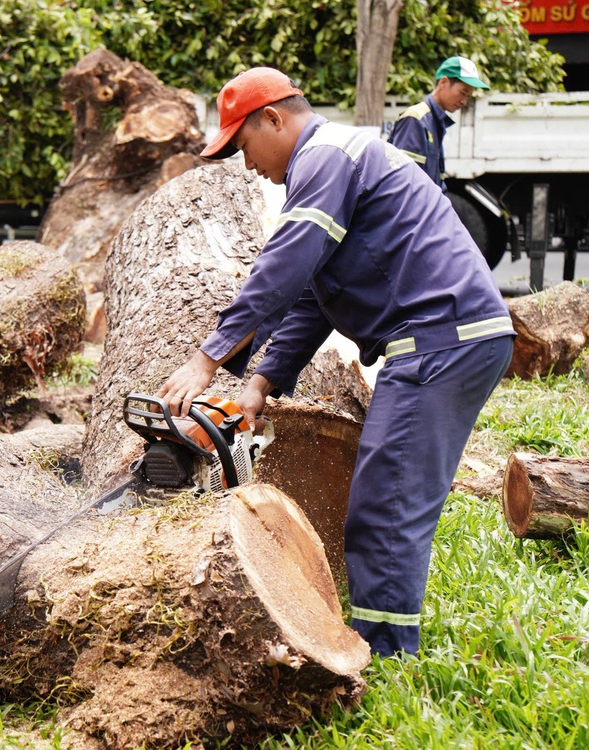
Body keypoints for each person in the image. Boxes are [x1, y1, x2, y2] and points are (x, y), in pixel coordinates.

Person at [156, 67, 515, 657]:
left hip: (440, 341)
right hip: (448, 337)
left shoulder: (324, 158)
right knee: (387, 496)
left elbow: (286, 264)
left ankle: (386, 653)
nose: (248, 166)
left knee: (385, 503)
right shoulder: (337, 156)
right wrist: (260, 382)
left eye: (244, 146)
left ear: (273, 118)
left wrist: (206, 359)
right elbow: (311, 296)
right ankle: (383, 639)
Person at [388, 56, 489, 191]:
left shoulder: (435, 122)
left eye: (468, 96)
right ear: (443, 83)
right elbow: (404, 181)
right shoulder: (416, 119)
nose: (464, 101)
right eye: (462, 93)